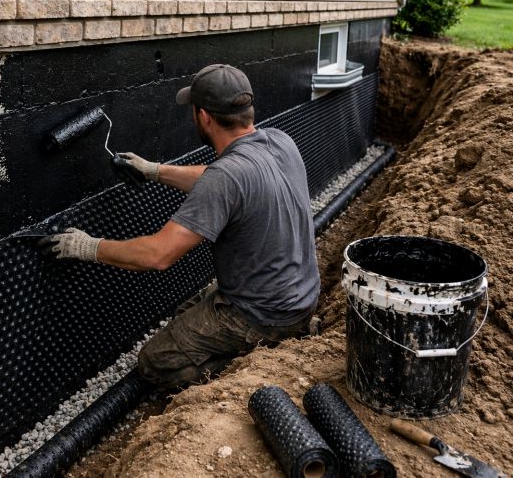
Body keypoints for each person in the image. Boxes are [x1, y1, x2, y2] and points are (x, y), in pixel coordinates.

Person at [42, 64, 320, 389]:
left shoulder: (227, 176)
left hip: (264, 315)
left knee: (155, 362)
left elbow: (158, 255)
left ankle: (258, 360)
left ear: (204, 117)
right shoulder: (279, 141)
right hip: (300, 297)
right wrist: (156, 171)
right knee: (184, 315)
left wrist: (87, 247)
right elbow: (222, 179)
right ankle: (283, 335)